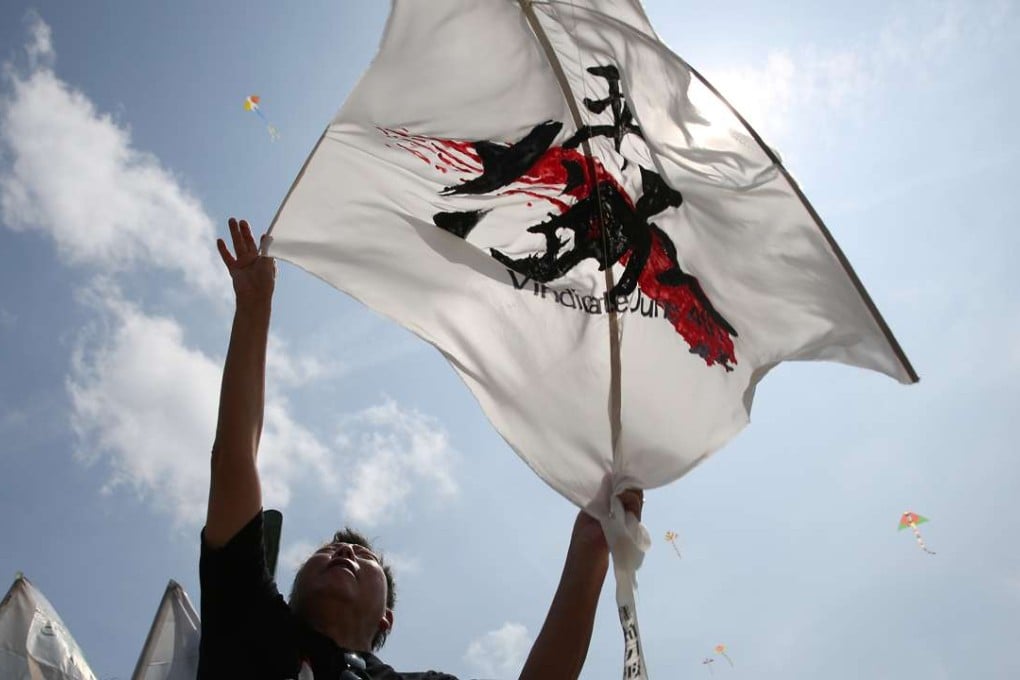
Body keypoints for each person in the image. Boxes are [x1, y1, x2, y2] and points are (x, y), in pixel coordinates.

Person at [198, 218, 644, 680]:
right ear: (287, 593)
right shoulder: (253, 625)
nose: (344, 554)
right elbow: (232, 463)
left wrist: (591, 547)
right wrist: (254, 308)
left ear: (385, 619)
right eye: (330, 551)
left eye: (364, 558)